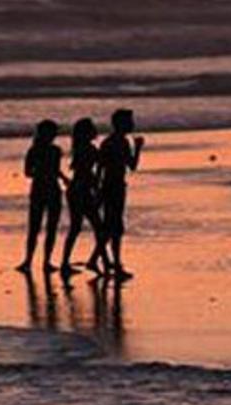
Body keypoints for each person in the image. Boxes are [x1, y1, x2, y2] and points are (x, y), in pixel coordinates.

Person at [94, 108, 144, 279]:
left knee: (111, 227)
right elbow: (132, 166)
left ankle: (101, 260)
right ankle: (114, 262)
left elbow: (100, 168)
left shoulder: (110, 142)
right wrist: (138, 148)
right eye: (129, 122)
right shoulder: (119, 143)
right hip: (113, 187)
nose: (132, 124)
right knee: (115, 227)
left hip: (111, 186)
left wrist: (98, 188)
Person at [60, 117, 109, 276]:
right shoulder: (89, 149)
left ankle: (67, 262)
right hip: (81, 191)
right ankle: (97, 261)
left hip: (76, 190)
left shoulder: (80, 148)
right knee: (98, 228)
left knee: (77, 227)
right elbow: (90, 172)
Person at [17, 119, 67, 275]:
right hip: (46, 189)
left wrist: (63, 178)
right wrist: (46, 173)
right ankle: (34, 261)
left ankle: (37, 261)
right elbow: (27, 172)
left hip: (44, 189)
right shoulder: (43, 151)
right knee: (39, 227)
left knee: (42, 227)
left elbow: (30, 172)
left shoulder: (42, 150)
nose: (54, 135)